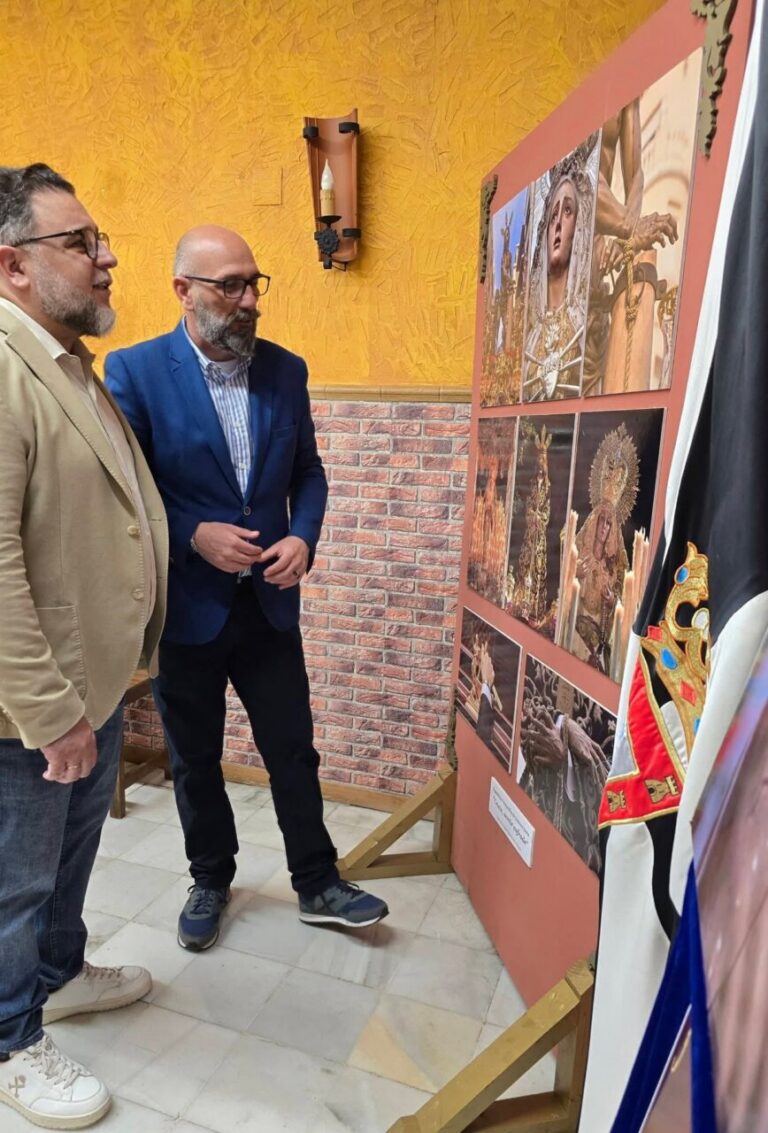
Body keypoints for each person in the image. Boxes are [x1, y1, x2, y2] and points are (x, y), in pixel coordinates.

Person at [105, 224, 388, 953]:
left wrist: (305, 535)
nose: (246, 300)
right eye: (228, 285)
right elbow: (123, 493)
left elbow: (309, 473)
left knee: (292, 747)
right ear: (183, 291)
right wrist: (192, 531)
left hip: (267, 605)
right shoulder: (132, 372)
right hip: (186, 610)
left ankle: (318, 880)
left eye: (253, 282)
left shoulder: (284, 371)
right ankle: (210, 875)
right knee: (194, 755)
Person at [0, 164, 168, 1129]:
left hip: (92, 685)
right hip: (32, 704)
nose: (105, 258)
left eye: (100, 239)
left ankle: (57, 975)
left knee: (66, 864)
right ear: (12, 265)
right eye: (80, 242)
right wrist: (52, 709)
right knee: (16, 879)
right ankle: (10, 1034)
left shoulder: (64, 361)